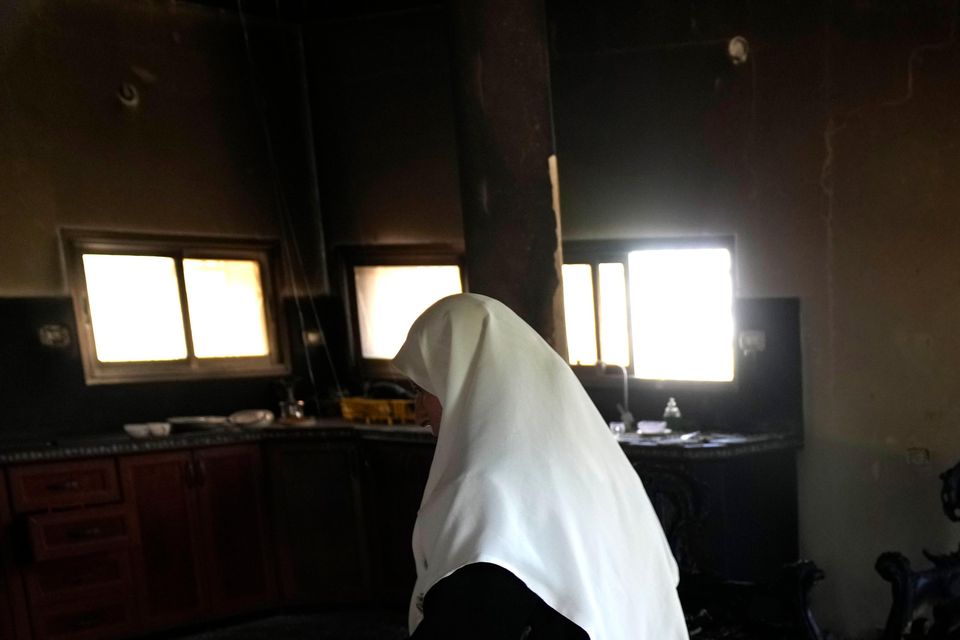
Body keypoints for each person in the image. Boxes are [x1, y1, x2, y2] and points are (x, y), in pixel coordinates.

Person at [392, 293, 689, 640]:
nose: (418, 414)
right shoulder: (590, 464)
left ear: (462, 379)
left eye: (422, 390)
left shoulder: (487, 489)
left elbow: (468, 620)